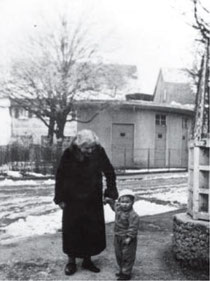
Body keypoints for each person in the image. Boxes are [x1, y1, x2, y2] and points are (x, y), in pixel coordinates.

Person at [54, 129, 118, 276]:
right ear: (78, 146)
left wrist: (110, 193)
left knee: (91, 229)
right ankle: (71, 261)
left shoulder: (99, 151)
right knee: (72, 229)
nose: (90, 151)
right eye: (86, 148)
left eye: (92, 148)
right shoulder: (69, 154)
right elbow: (60, 176)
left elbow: (109, 172)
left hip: (92, 198)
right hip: (72, 199)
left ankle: (87, 260)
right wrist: (60, 198)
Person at [105, 189, 139, 280]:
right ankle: (122, 270)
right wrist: (108, 201)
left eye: (127, 202)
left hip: (127, 238)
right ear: (119, 202)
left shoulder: (133, 215)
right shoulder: (119, 209)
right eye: (122, 201)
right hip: (117, 236)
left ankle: (126, 273)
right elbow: (113, 206)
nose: (125, 204)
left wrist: (129, 237)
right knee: (119, 254)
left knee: (127, 255)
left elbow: (133, 227)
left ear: (132, 202)